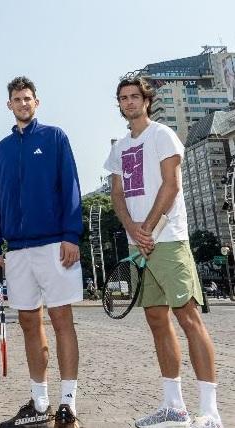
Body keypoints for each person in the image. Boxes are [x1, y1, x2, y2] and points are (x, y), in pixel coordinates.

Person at [104, 76, 222, 428]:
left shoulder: (162, 135)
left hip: (168, 239)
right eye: (123, 98)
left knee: (188, 318)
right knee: (156, 320)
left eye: (134, 96)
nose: (129, 102)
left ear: (147, 100)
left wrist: (149, 228)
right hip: (139, 245)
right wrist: (132, 231)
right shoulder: (118, 147)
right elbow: (117, 195)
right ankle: (175, 407)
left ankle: (211, 412)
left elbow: (171, 185)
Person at [0, 76, 83, 428]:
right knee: (28, 322)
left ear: (36, 103)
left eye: (28, 98)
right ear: (8, 105)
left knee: (61, 321)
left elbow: (71, 185)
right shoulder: (1, 149)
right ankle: (40, 403)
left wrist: (72, 234)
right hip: (18, 251)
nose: (23, 103)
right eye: (16, 99)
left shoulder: (55, 137)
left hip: (56, 244)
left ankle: (68, 403)